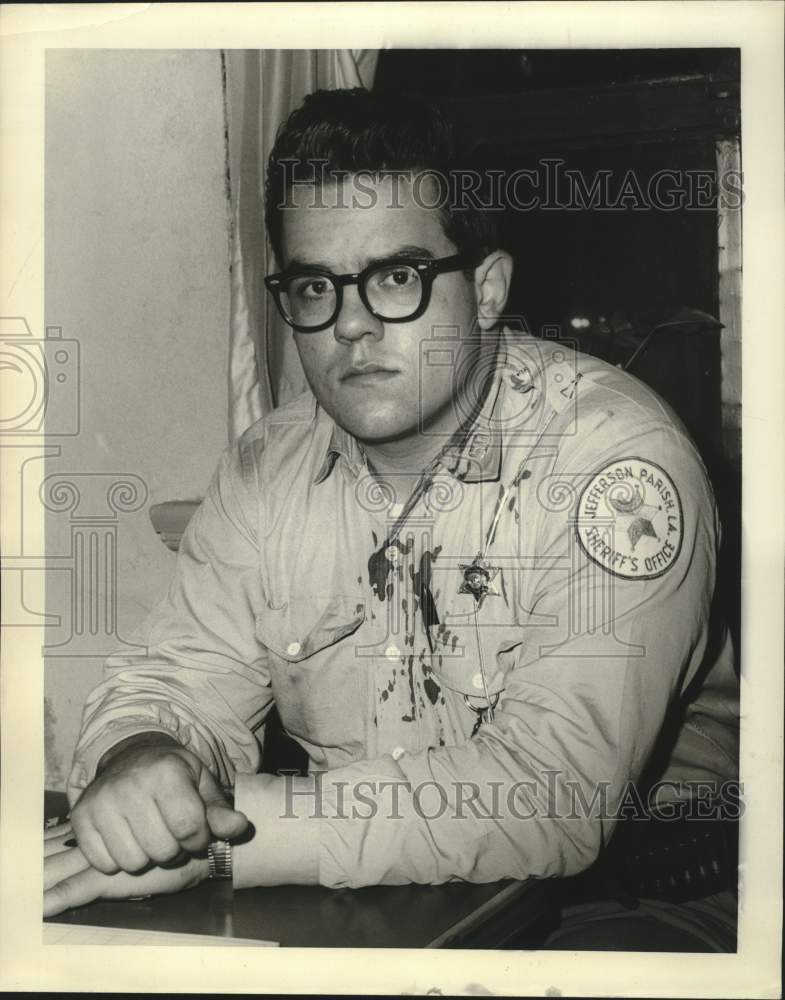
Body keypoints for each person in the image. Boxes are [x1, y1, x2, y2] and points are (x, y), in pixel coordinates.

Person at [44, 88, 740, 950]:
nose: (352, 325)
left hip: (640, 897)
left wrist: (227, 841)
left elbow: (549, 797)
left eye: (397, 278)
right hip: (376, 894)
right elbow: (177, 677)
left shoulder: (614, 462)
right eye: (313, 286)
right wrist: (140, 756)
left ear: (485, 291)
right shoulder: (269, 469)